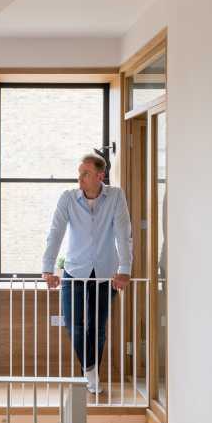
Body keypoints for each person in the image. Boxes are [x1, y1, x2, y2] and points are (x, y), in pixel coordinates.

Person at [42, 154, 132, 393]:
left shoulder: (115, 197)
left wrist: (124, 270)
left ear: (100, 176)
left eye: (85, 174)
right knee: (74, 325)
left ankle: (90, 374)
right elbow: (55, 233)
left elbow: (123, 234)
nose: (79, 178)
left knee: (97, 326)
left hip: (104, 273)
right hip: (74, 270)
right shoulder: (68, 199)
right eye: (79, 173)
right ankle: (90, 370)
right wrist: (47, 269)